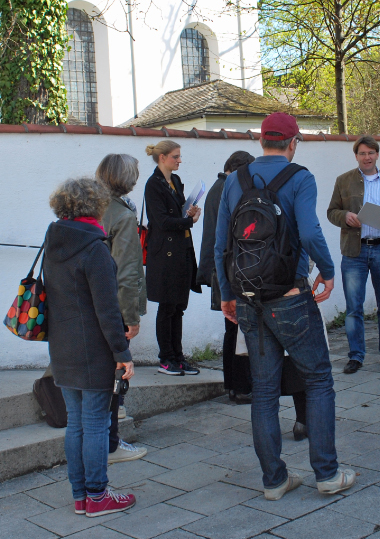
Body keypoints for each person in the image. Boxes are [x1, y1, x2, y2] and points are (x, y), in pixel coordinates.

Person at [215, 112, 356, 500]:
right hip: (290, 296)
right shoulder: (299, 177)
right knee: (318, 379)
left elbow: (220, 244)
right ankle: (327, 473)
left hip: (247, 298)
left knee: (263, 389)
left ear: (263, 140)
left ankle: (274, 480)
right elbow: (309, 230)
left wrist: (227, 293)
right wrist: (328, 270)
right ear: (292, 143)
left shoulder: (235, 180)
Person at [44, 177, 137, 517]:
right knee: (95, 423)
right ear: (96, 206)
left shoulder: (54, 240)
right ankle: (98, 496)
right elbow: (107, 310)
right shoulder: (94, 247)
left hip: (63, 348)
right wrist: (122, 354)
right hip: (93, 351)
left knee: (76, 424)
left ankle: (81, 496)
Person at [327, 136, 380, 373]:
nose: (367, 157)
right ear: (356, 156)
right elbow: (332, 211)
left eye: (371, 153)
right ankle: (356, 356)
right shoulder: (343, 181)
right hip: (355, 251)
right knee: (354, 307)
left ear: (377, 155)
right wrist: (345, 217)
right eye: (362, 153)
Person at [96, 154, 149, 464]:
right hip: (113, 308)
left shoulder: (91, 208)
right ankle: (112, 444)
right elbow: (127, 272)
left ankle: (104, 438)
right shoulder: (122, 215)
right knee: (116, 375)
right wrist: (130, 318)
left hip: (88, 304)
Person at [198, 150, 255, 403]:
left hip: (222, 268)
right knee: (239, 329)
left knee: (232, 329)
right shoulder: (228, 189)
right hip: (230, 269)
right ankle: (241, 387)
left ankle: (233, 385)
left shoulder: (217, 187)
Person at [144, 140, 202, 376]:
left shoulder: (175, 181)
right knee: (167, 307)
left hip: (181, 250)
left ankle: (178, 356)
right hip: (165, 256)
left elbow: (178, 211)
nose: (179, 161)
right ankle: (166, 358)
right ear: (162, 158)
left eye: (179, 157)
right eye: (175, 157)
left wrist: (191, 210)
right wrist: (189, 221)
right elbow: (161, 222)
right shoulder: (153, 185)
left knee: (178, 307)